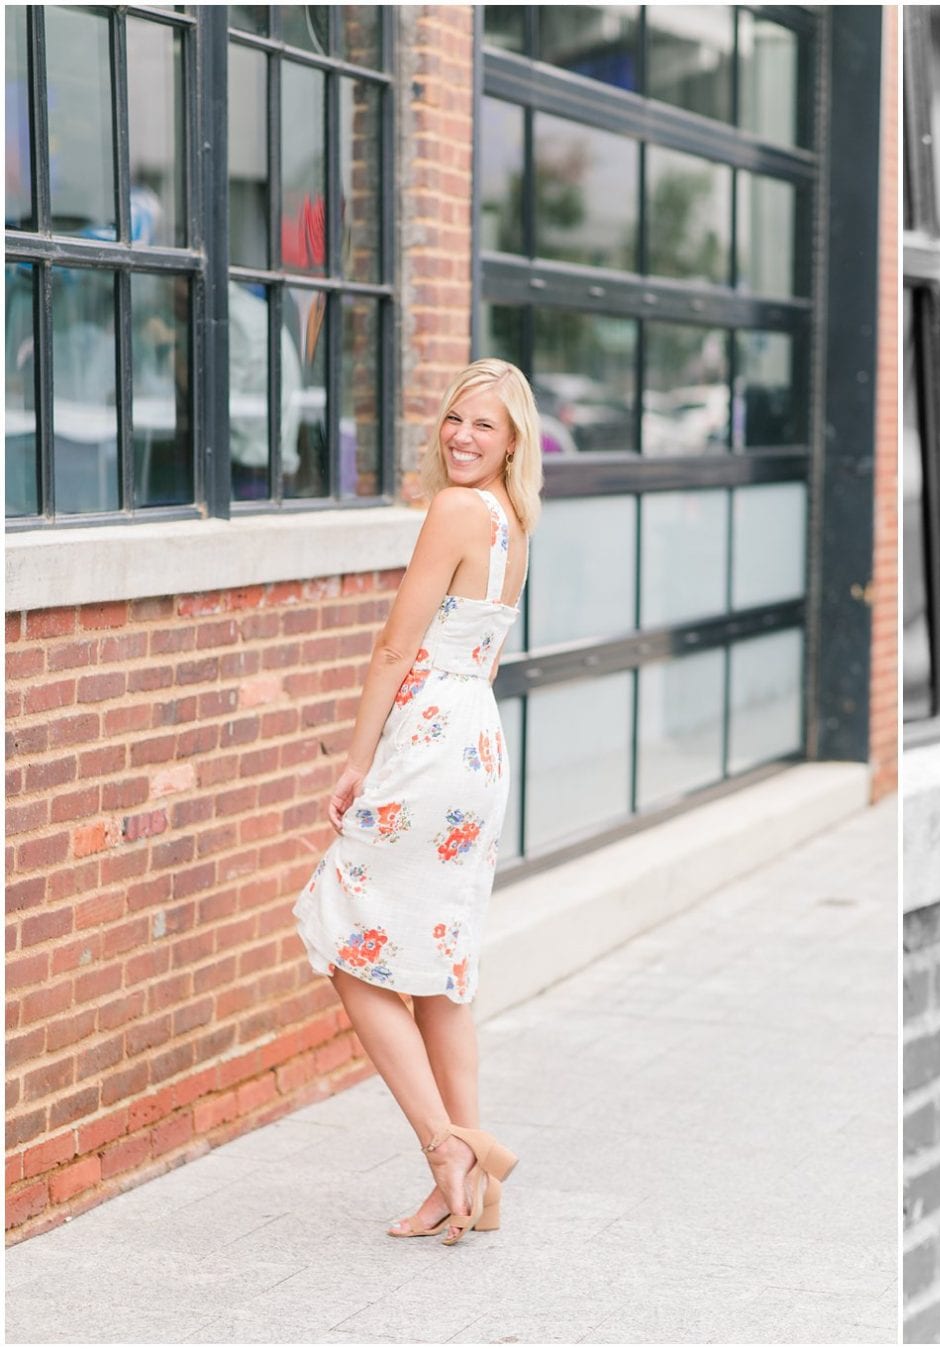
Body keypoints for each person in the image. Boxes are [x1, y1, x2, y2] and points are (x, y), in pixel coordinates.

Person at [292, 358, 542, 1244]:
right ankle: (470, 1176)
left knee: (346, 937)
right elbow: (488, 652)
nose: (464, 437)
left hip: (431, 743)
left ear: (513, 441)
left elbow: (395, 645)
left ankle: (444, 1147)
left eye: (485, 425)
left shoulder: (457, 509)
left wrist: (358, 761)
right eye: (455, 420)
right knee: (437, 962)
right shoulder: (513, 522)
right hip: (476, 740)